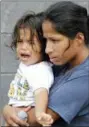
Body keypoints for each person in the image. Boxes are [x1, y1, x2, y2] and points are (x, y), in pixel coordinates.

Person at [3, 1, 89, 127]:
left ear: (79, 39)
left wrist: (9, 111)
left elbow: (36, 119)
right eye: (46, 40)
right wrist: (7, 109)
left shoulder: (85, 77)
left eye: (55, 40)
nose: (47, 49)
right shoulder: (61, 64)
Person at [5, 12, 54, 126]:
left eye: (31, 42)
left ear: (43, 46)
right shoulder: (27, 65)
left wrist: (39, 113)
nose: (23, 47)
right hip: (15, 112)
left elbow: (41, 91)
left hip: (25, 116)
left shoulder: (41, 70)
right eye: (20, 41)